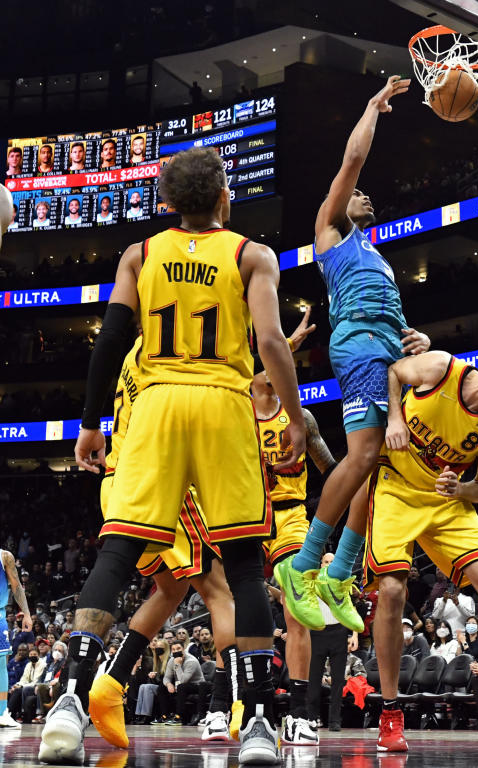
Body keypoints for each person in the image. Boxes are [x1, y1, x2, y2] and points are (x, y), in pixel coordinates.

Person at [42, 146, 305, 766]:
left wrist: (90, 423)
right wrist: (294, 415)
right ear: (224, 197)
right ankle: (261, 722)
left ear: (164, 203)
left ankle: (69, 703)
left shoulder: (141, 253)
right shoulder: (252, 255)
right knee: (241, 562)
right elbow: (269, 340)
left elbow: (109, 340)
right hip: (221, 401)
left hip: (156, 404)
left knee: (119, 552)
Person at [276, 76, 431, 636]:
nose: (367, 198)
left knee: (378, 466)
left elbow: (393, 313)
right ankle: (302, 566)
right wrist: (372, 106)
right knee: (364, 455)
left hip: (388, 351)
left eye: (367, 199)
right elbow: (353, 161)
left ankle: (341, 573)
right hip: (359, 347)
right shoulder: (331, 232)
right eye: (360, 196)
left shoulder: (378, 257)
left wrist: (417, 340)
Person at [366, 341, 478, 752]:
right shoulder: (442, 366)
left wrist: (460, 487)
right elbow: (395, 371)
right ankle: (391, 714)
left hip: (445, 500)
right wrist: (396, 417)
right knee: (393, 591)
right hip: (395, 485)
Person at [252, 324, 341, 745]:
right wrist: (283, 344)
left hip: (290, 518)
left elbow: (332, 471)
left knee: (297, 610)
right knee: (243, 613)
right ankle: (244, 706)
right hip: (246, 517)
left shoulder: (301, 417)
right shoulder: (238, 411)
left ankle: (301, 713)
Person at [306, 552, 358, 735]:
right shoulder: (311, 583)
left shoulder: (342, 583)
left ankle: (335, 720)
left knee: (337, 681)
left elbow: (350, 609)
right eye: (326, 562)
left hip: (338, 633)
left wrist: (354, 635)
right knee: (313, 680)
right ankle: (311, 718)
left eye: (332, 562)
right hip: (317, 633)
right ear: (321, 564)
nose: (328, 564)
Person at [0, 549, 32, 728]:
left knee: (1, 664)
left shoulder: (4, 556)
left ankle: (2, 712)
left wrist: (26, 613)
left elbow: (16, 585)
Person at [152, 641, 204, 725]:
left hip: (197, 685)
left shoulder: (191, 661)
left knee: (181, 687)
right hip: (181, 684)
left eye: (178, 648)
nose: (176, 651)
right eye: (173, 649)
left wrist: (177, 665)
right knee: (162, 687)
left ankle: (179, 717)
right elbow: (166, 677)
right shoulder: (172, 660)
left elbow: (183, 680)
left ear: (183, 649)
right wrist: (168, 684)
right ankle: (165, 716)